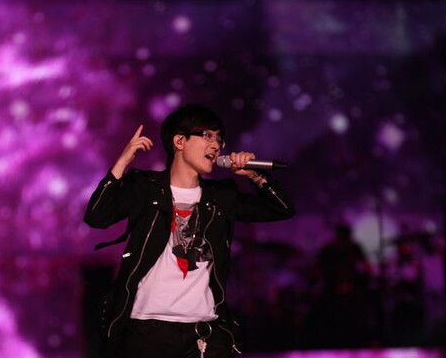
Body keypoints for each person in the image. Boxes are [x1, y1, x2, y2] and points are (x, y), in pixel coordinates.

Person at [84, 104, 295, 357]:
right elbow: (97, 216)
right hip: (147, 332)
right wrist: (122, 163)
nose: (216, 145)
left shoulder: (220, 198)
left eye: (219, 139)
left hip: (204, 334)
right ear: (180, 141)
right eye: (207, 136)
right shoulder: (147, 189)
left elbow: (282, 209)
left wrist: (256, 176)